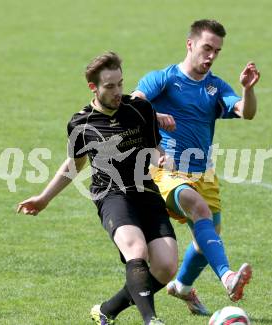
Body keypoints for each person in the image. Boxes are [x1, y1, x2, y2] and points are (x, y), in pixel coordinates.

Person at [16, 52, 177, 325]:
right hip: (111, 194)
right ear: (94, 87)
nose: (117, 92)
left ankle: (106, 310)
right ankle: (151, 320)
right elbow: (73, 165)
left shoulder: (140, 109)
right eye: (110, 86)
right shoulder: (81, 123)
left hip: (146, 192)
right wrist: (44, 198)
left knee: (166, 267)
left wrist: (163, 158)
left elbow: (154, 148)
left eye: (120, 84)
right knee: (136, 251)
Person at [131, 19, 260, 315]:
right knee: (199, 210)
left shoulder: (216, 87)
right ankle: (228, 278)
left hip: (204, 173)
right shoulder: (163, 79)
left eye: (217, 51)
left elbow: (247, 112)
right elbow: (132, 104)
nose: (211, 55)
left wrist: (247, 89)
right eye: (206, 48)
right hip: (167, 170)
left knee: (207, 241)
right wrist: (157, 116)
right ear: (190, 44)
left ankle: (182, 287)